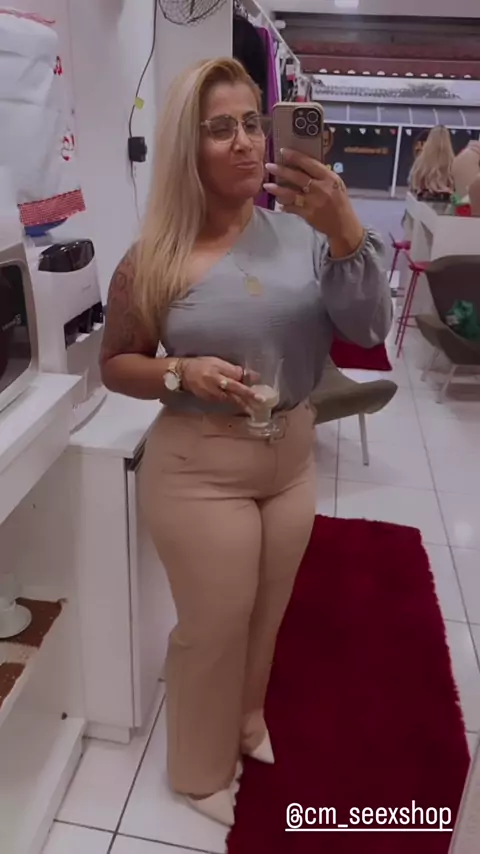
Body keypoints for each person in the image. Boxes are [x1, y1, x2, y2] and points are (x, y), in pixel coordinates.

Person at [100, 57, 392, 826]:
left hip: (290, 455)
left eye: (253, 123)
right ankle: (198, 771)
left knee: (268, 610)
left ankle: (247, 720)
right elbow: (116, 365)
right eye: (219, 128)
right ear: (186, 147)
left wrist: (346, 229)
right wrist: (180, 371)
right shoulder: (154, 257)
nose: (244, 141)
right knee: (213, 624)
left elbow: (368, 330)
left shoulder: (308, 236)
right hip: (200, 466)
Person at [408, 125, 454, 200]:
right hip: (447, 203)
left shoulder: (420, 162)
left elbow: (412, 184)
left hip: (422, 203)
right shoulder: (453, 163)